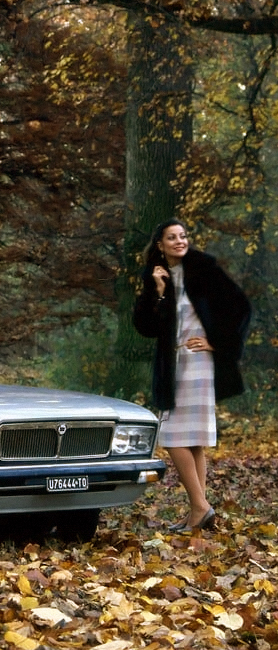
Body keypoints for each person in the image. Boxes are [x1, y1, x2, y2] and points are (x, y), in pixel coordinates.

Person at [133, 218, 250, 533]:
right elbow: (145, 327)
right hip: (172, 365)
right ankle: (197, 511)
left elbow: (240, 306)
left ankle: (200, 506)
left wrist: (218, 343)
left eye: (183, 236)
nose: (179, 241)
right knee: (193, 441)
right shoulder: (157, 276)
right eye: (172, 237)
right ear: (160, 244)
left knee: (171, 436)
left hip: (198, 363)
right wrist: (157, 293)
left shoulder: (204, 269)